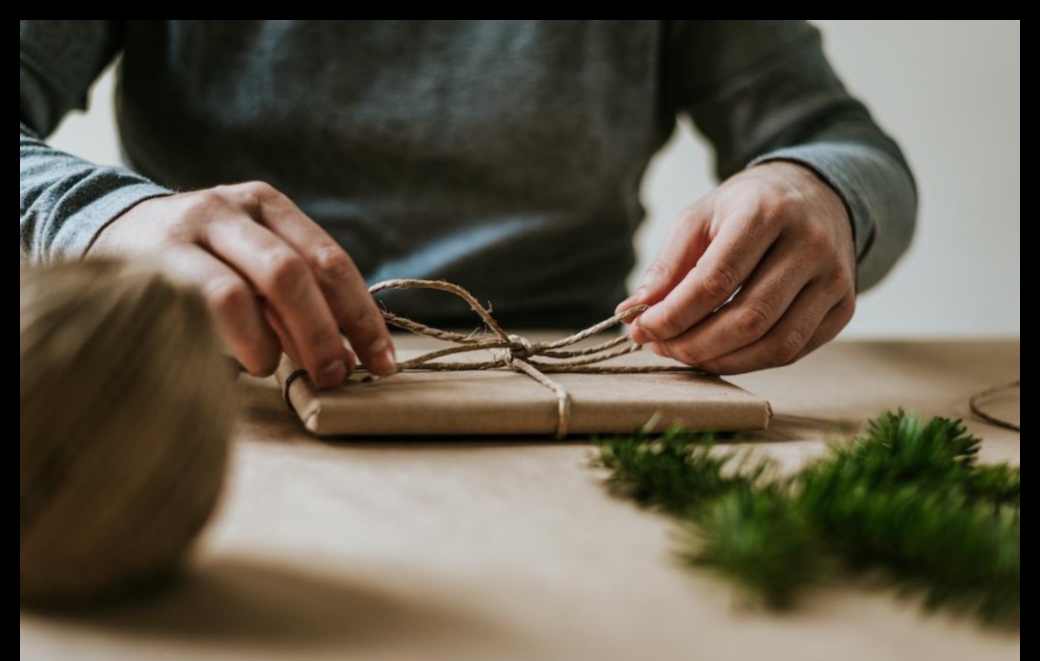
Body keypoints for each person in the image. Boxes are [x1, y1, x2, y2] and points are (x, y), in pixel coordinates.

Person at [20, 20, 917, 388]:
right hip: (212, 391)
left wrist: (819, 191)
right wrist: (103, 219)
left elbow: (845, 143)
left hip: (578, 397)